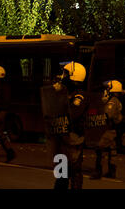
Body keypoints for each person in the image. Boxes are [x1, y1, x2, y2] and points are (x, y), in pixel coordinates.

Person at [50, 61, 88, 189]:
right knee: (61, 173)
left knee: (74, 170)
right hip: (62, 137)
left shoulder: (79, 95)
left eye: (65, 73)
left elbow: (72, 113)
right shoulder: (67, 92)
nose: (62, 76)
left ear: (73, 75)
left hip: (73, 138)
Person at [90, 80, 123, 180]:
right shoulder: (114, 100)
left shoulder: (112, 101)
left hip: (108, 129)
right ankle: (111, 172)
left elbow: (108, 114)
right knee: (112, 151)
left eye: (107, 88)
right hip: (112, 129)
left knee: (100, 148)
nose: (106, 90)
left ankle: (98, 171)